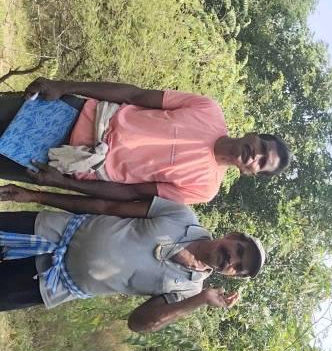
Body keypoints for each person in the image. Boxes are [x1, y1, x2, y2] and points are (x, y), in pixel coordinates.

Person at [0, 183, 266, 332]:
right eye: (239, 251)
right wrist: (36, 194)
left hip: (48, 283)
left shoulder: (189, 289)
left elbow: (138, 323)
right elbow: (106, 206)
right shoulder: (182, 216)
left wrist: (200, 300)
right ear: (233, 235)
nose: (232, 261)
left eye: (238, 268)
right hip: (47, 230)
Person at [0, 78, 291, 204]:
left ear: (251, 172)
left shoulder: (204, 189)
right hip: (75, 113)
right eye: (263, 148)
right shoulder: (208, 110)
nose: (256, 156)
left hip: (65, 162)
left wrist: (61, 183)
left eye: (262, 163)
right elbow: (135, 95)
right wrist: (64, 86)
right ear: (254, 135)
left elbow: (131, 193)